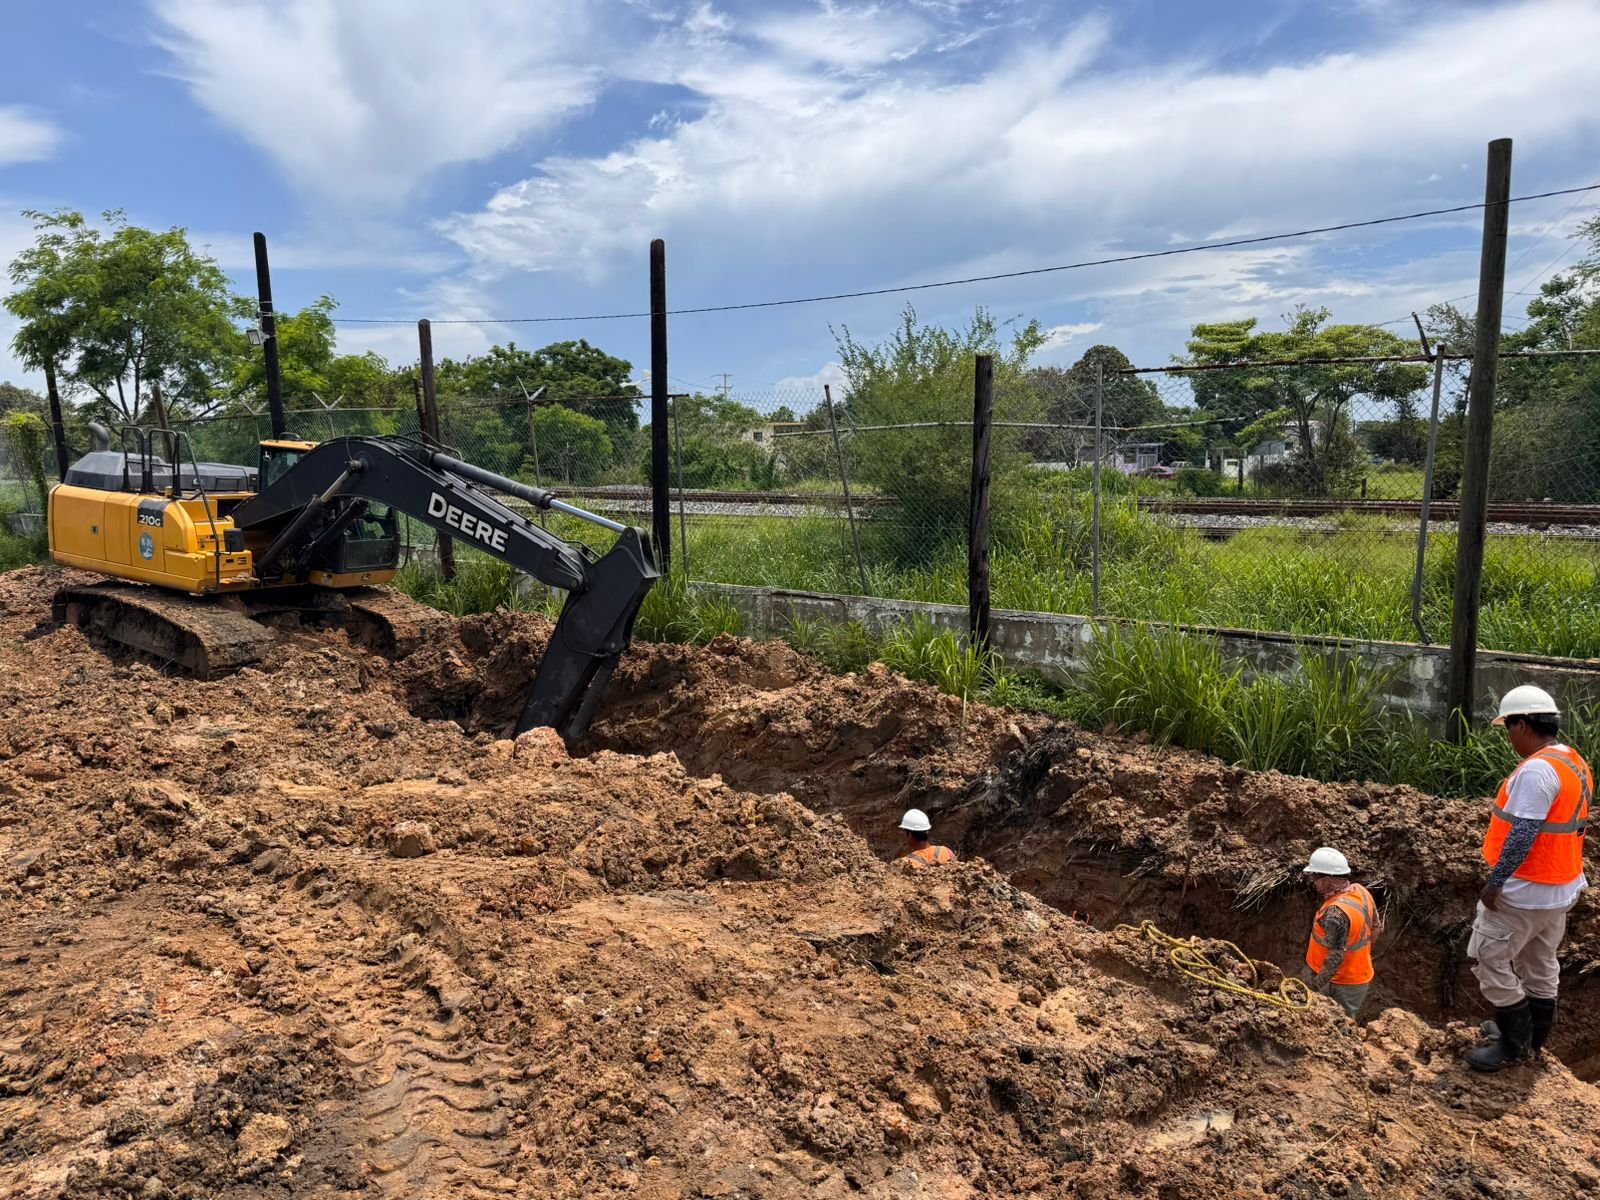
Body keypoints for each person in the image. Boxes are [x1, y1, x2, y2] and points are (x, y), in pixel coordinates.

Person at [1465, 685, 1591, 1072]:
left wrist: (1496, 881)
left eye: (1509, 728)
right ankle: (1533, 1037)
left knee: (1488, 958)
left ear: (1522, 725)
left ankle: (1513, 1042)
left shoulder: (1536, 770)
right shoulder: (1572, 760)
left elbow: (1523, 832)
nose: (1509, 737)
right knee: (1539, 961)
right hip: (1559, 887)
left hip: (1524, 891)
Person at [1302, 846, 1382, 1019]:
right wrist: (1359, 955)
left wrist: (1315, 987)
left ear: (1328, 880)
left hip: (1339, 982)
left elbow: (1335, 959)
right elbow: (1377, 927)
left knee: (1338, 1024)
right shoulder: (1360, 891)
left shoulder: (1335, 914)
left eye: (1315, 877)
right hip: (1358, 976)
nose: (1312, 881)